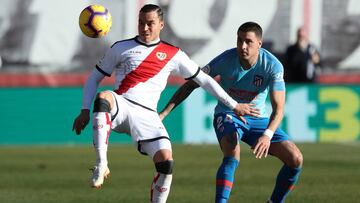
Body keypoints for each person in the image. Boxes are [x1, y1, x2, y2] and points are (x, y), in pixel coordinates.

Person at [72, 4, 258, 203]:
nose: (144, 28)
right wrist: (84, 110)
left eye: (150, 23)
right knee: (104, 97)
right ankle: (102, 164)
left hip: (148, 116)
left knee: (166, 164)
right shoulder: (120, 47)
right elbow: (93, 78)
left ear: (161, 24)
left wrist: (234, 105)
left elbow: (204, 80)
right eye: (141, 23)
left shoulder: (173, 53)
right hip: (122, 106)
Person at [160, 22, 303, 203]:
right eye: (239, 40)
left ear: (259, 44)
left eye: (248, 42)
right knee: (232, 154)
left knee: (295, 159)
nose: (243, 46)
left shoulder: (273, 66)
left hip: (258, 120)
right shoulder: (225, 60)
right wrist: (164, 113)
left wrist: (267, 135)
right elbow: (192, 84)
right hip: (228, 114)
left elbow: (279, 109)